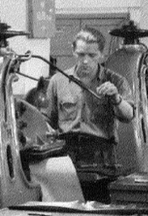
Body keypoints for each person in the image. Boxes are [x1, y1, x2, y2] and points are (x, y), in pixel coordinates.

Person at [45, 27, 134, 169]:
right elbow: (47, 119)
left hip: (101, 156)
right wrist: (49, 131)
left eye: (92, 55)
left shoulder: (116, 81)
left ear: (101, 55)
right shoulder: (58, 81)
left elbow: (128, 116)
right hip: (66, 156)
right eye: (81, 54)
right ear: (73, 52)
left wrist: (116, 98)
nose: (85, 61)